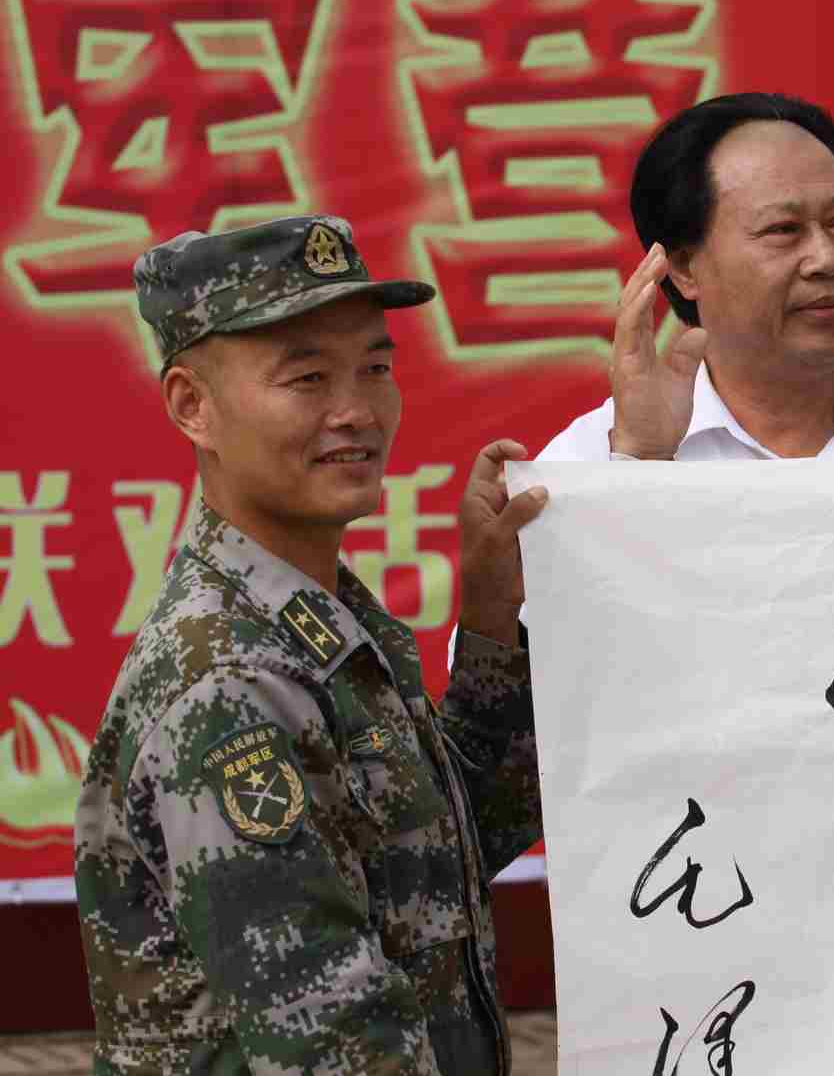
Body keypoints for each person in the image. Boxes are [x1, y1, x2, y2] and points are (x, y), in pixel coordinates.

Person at [74, 215, 548, 1074]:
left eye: (375, 368)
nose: (356, 411)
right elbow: (333, 1040)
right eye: (308, 378)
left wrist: (490, 614)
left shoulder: (317, 619)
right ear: (192, 405)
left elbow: (442, 853)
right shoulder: (230, 679)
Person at [537, 91, 834, 462]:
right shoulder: (589, 462)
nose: (827, 259)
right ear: (685, 268)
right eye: (783, 230)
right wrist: (643, 461)